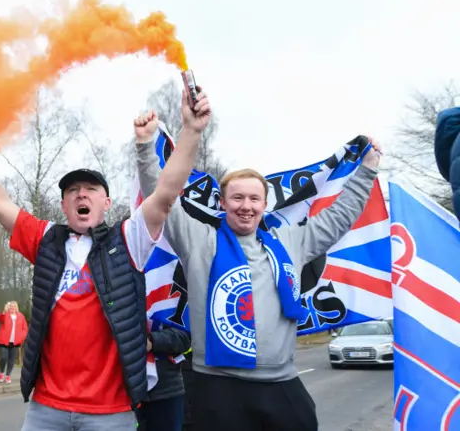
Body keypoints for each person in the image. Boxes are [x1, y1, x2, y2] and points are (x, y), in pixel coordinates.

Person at [0, 85, 211, 430]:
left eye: (91, 189)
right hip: (46, 408)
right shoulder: (47, 240)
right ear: (64, 205)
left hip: (110, 412)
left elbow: (166, 192)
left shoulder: (129, 239)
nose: (81, 194)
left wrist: (192, 131)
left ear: (106, 204)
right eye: (72, 191)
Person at [135, 98, 382, 431]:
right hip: (216, 387)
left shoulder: (291, 241)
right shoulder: (199, 240)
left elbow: (338, 217)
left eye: (254, 199)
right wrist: (144, 147)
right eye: (237, 198)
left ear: (265, 205)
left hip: (281, 383)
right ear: (223, 203)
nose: (246, 206)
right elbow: (162, 199)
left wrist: (367, 170)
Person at [133, 113, 193, 431]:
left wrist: (151, 343)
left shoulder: (182, 259)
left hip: (167, 385)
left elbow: (184, 335)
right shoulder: (122, 256)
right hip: (119, 385)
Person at [0, 301, 28, 384]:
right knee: (3, 357)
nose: (12, 308)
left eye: (14, 306)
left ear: (16, 307)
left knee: (11, 360)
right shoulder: (5, 314)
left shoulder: (21, 316)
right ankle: (1, 373)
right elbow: (0, 319)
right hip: (4, 340)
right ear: (8, 307)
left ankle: (8, 375)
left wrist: (21, 337)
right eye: (10, 306)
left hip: (15, 341)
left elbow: (25, 329)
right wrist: (4, 311)